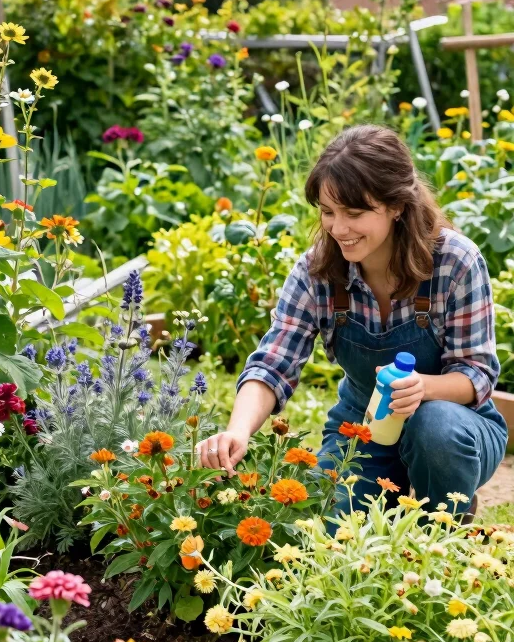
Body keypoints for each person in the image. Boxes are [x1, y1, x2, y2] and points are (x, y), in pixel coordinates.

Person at [197, 124, 508, 517]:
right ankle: (389, 493)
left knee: (434, 427)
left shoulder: (455, 261)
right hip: (363, 427)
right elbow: (274, 361)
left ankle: (446, 513)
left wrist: (422, 388)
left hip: (457, 426)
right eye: (328, 212)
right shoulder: (317, 271)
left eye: (354, 213)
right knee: (327, 526)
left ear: (396, 206)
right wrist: (238, 430)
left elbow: (476, 374)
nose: (338, 229)